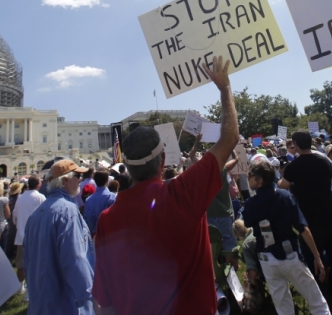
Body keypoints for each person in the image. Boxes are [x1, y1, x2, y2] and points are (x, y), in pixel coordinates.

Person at [93, 55, 239, 315]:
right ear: (162, 160)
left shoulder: (106, 220)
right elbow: (229, 139)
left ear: (126, 167)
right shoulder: (183, 193)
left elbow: (105, 301)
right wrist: (225, 87)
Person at [279, 131, 332, 314]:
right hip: (329, 215)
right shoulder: (323, 161)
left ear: (295, 144)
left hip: (309, 221)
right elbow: (331, 177)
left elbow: (282, 187)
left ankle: (321, 304)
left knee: (314, 262)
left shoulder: (293, 167)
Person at [243, 160, 330, 315]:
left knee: (283, 308)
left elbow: (248, 222)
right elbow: (302, 228)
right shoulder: (284, 196)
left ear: (260, 180)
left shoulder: (250, 204)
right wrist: (317, 257)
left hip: (267, 259)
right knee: (317, 303)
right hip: (289, 256)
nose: (248, 179)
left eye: (250, 176)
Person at [23, 160, 95, 314]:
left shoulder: (35, 214)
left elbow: (27, 259)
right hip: (65, 303)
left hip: (41, 301)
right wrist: (92, 298)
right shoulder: (67, 211)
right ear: (65, 180)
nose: (80, 180)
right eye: (77, 176)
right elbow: (75, 259)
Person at [13, 174, 45, 297]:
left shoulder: (20, 198)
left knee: (21, 264)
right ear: (38, 184)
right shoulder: (40, 197)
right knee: (35, 264)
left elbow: (14, 217)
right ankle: (29, 291)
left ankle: (20, 286)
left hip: (21, 235)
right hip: (36, 235)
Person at [83, 170, 116, 236]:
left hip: (93, 236)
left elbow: (87, 221)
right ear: (107, 180)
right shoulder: (112, 197)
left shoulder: (88, 200)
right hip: (109, 235)